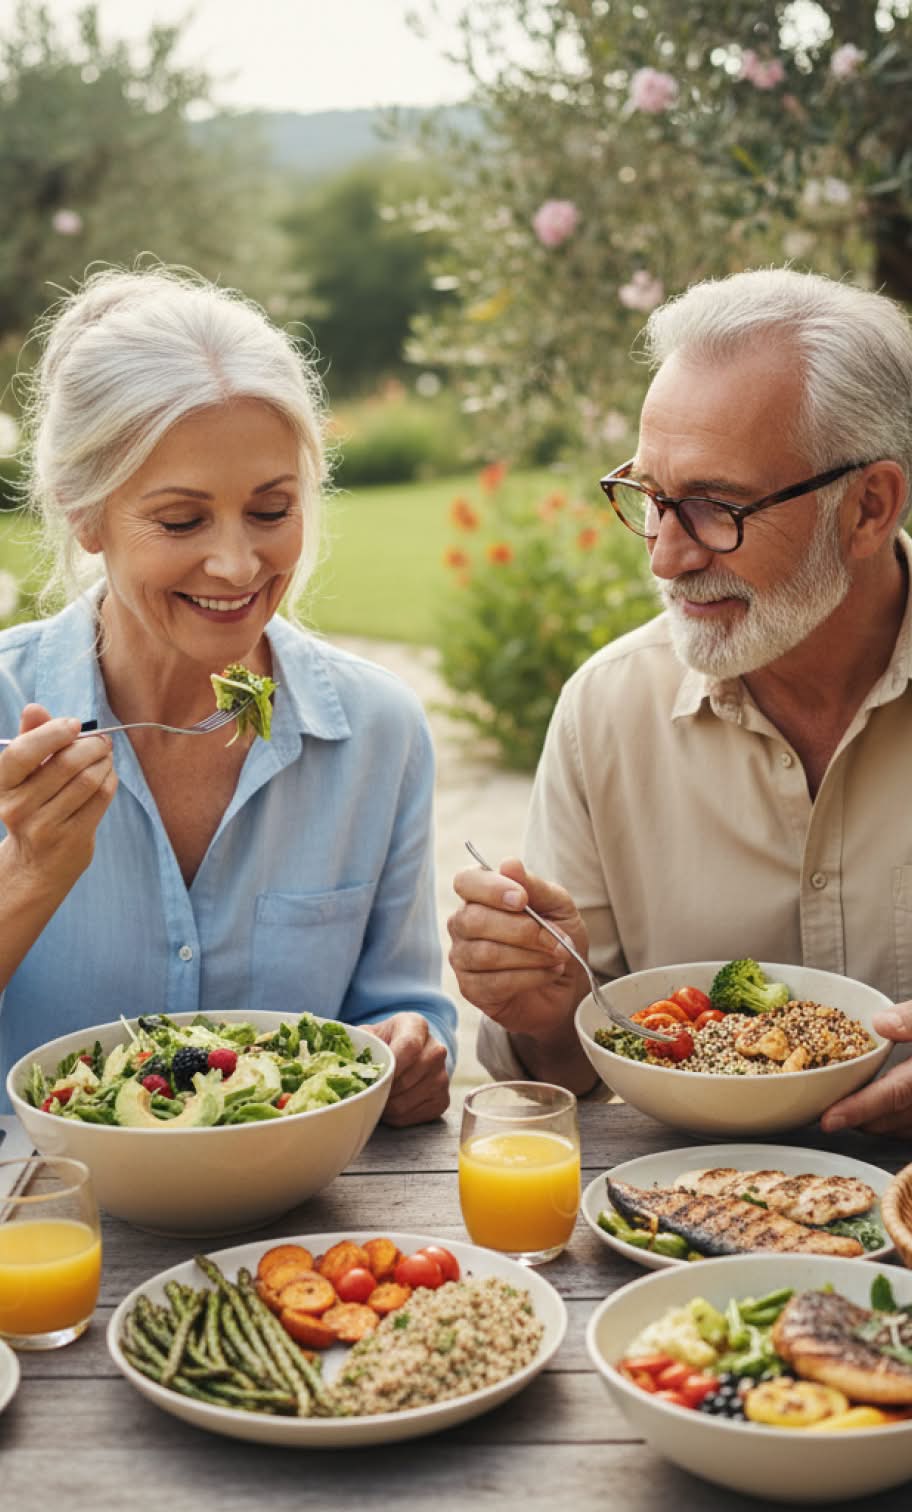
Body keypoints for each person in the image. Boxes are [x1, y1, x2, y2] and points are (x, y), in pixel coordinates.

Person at [448, 266, 912, 1136]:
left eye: (711, 507)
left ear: (869, 507)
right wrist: (543, 1007)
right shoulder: (606, 714)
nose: (664, 557)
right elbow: (562, 1071)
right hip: (687, 1228)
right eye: (651, 499)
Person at [0, 265, 455, 1125]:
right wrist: (26, 874)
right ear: (84, 511)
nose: (239, 566)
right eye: (182, 521)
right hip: (39, 1227)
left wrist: (409, 1049)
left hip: (294, 1232)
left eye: (272, 509)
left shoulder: (376, 732)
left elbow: (400, 1012)